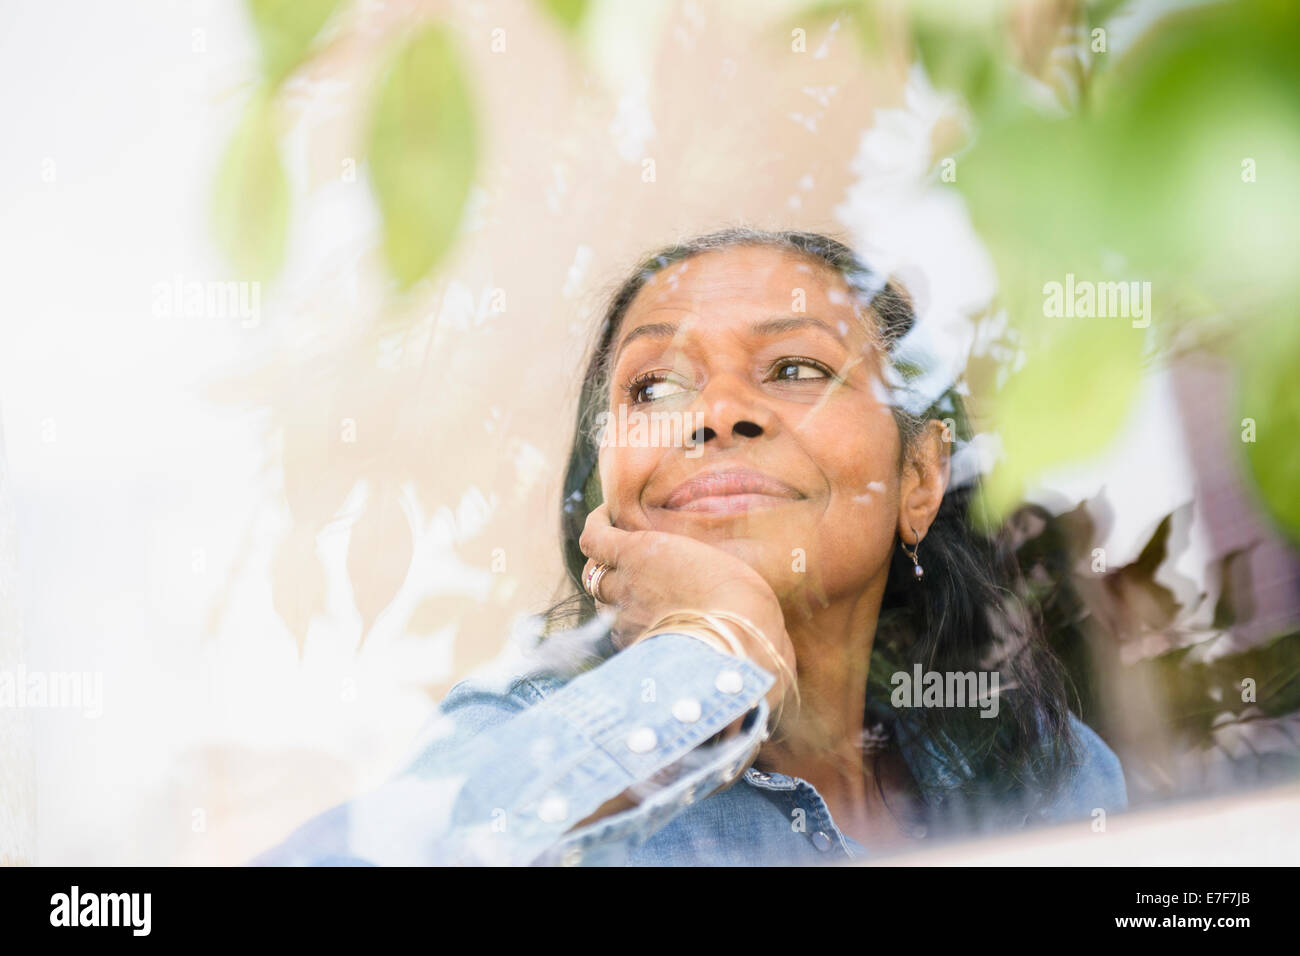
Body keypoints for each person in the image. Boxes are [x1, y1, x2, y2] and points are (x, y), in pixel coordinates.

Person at [252, 227, 1126, 866]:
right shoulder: (531, 757)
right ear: (613, 491)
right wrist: (714, 651)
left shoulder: (1052, 774)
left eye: (794, 369)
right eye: (655, 385)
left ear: (921, 480)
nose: (713, 413)